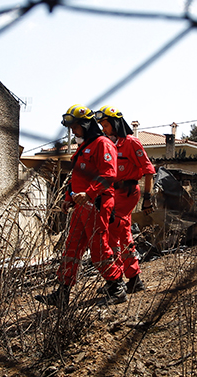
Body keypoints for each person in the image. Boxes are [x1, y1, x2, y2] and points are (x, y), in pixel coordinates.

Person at [35, 104, 126, 308]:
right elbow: (76, 179)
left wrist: (90, 193)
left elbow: (109, 175)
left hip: (96, 203)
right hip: (80, 206)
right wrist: (68, 197)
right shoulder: (84, 148)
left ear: (85, 125)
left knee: (98, 248)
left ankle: (117, 286)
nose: (73, 131)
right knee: (71, 248)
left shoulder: (102, 144)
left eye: (75, 127)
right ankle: (62, 292)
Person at [95, 105, 155, 294]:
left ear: (115, 123)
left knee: (112, 231)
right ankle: (134, 279)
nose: (104, 129)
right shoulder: (107, 144)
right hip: (112, 193)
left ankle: (117, 280)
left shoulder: (131, 142)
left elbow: (148, 171)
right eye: (102, 126)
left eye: (106, 125)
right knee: (124, 235)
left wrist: (147, 199)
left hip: (128, 193)